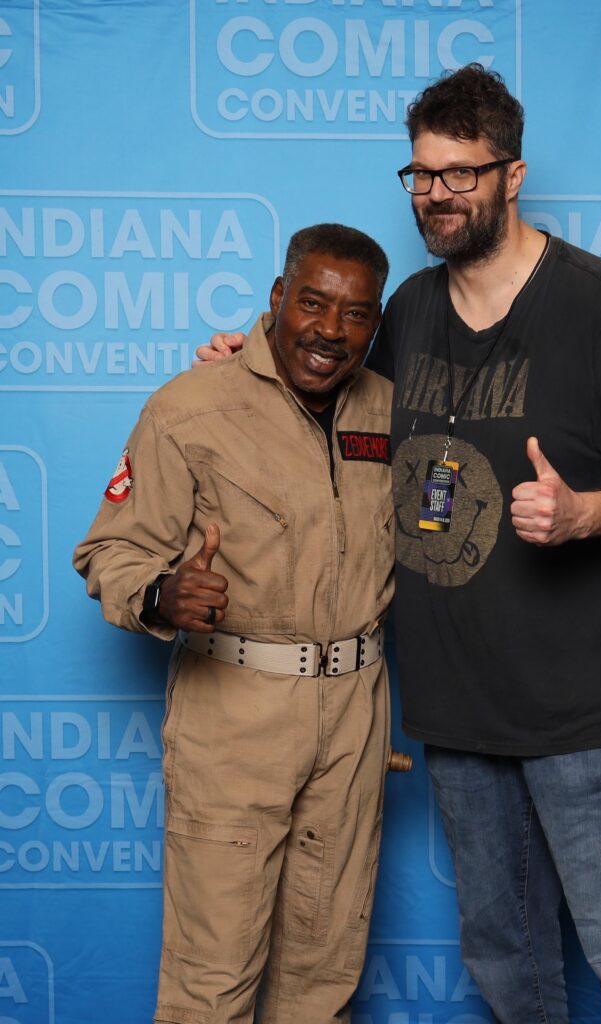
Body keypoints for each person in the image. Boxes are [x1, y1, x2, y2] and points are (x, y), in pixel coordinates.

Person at [200, 66, 601, 1024]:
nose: (437, 195)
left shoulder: (599, 305)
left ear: (512, 176)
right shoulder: (410, 314)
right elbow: (326, 398)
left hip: (593, 713)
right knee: (505, 962)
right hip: (462, 714)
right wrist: (246, 365)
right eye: (422, 174)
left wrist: (584, 515)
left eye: (461, 173)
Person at [74, 224, 396, 1024]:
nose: (329, 330)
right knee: (211, 980)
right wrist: (161, 594)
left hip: (355, 715)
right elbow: (108, 551)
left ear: (376, 325)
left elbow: (444, 533)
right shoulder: (191, 408)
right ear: (277, 299)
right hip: (236, 716)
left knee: (323, 979)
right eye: (312, 303)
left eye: (355, 314)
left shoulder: (394, 413)